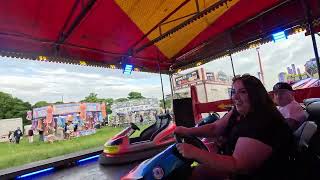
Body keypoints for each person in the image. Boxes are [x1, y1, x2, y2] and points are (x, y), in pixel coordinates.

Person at [175, 74, 294, 180]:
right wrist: (187, 131)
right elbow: (215, 128)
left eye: (242, 92)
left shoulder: (263, 120)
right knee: (192, 173)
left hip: (261, 174)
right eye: (233, 92)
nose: (235, 97)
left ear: (255, 95)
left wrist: (194, 152)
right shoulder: (239, 111)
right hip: (234, 169)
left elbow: (238, 165)